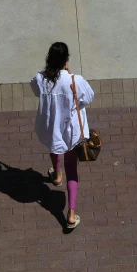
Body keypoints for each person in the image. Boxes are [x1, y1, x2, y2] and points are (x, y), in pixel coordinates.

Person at [30, 42, 94, 229]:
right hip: (72, 132)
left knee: (54, 147)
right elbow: (88, 97)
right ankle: (71, 214)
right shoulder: (75, 80)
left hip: (51, 128)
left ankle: (56, 175)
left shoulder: (41, 79)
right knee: (72, 167)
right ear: (66, 60)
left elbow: (35, 90)